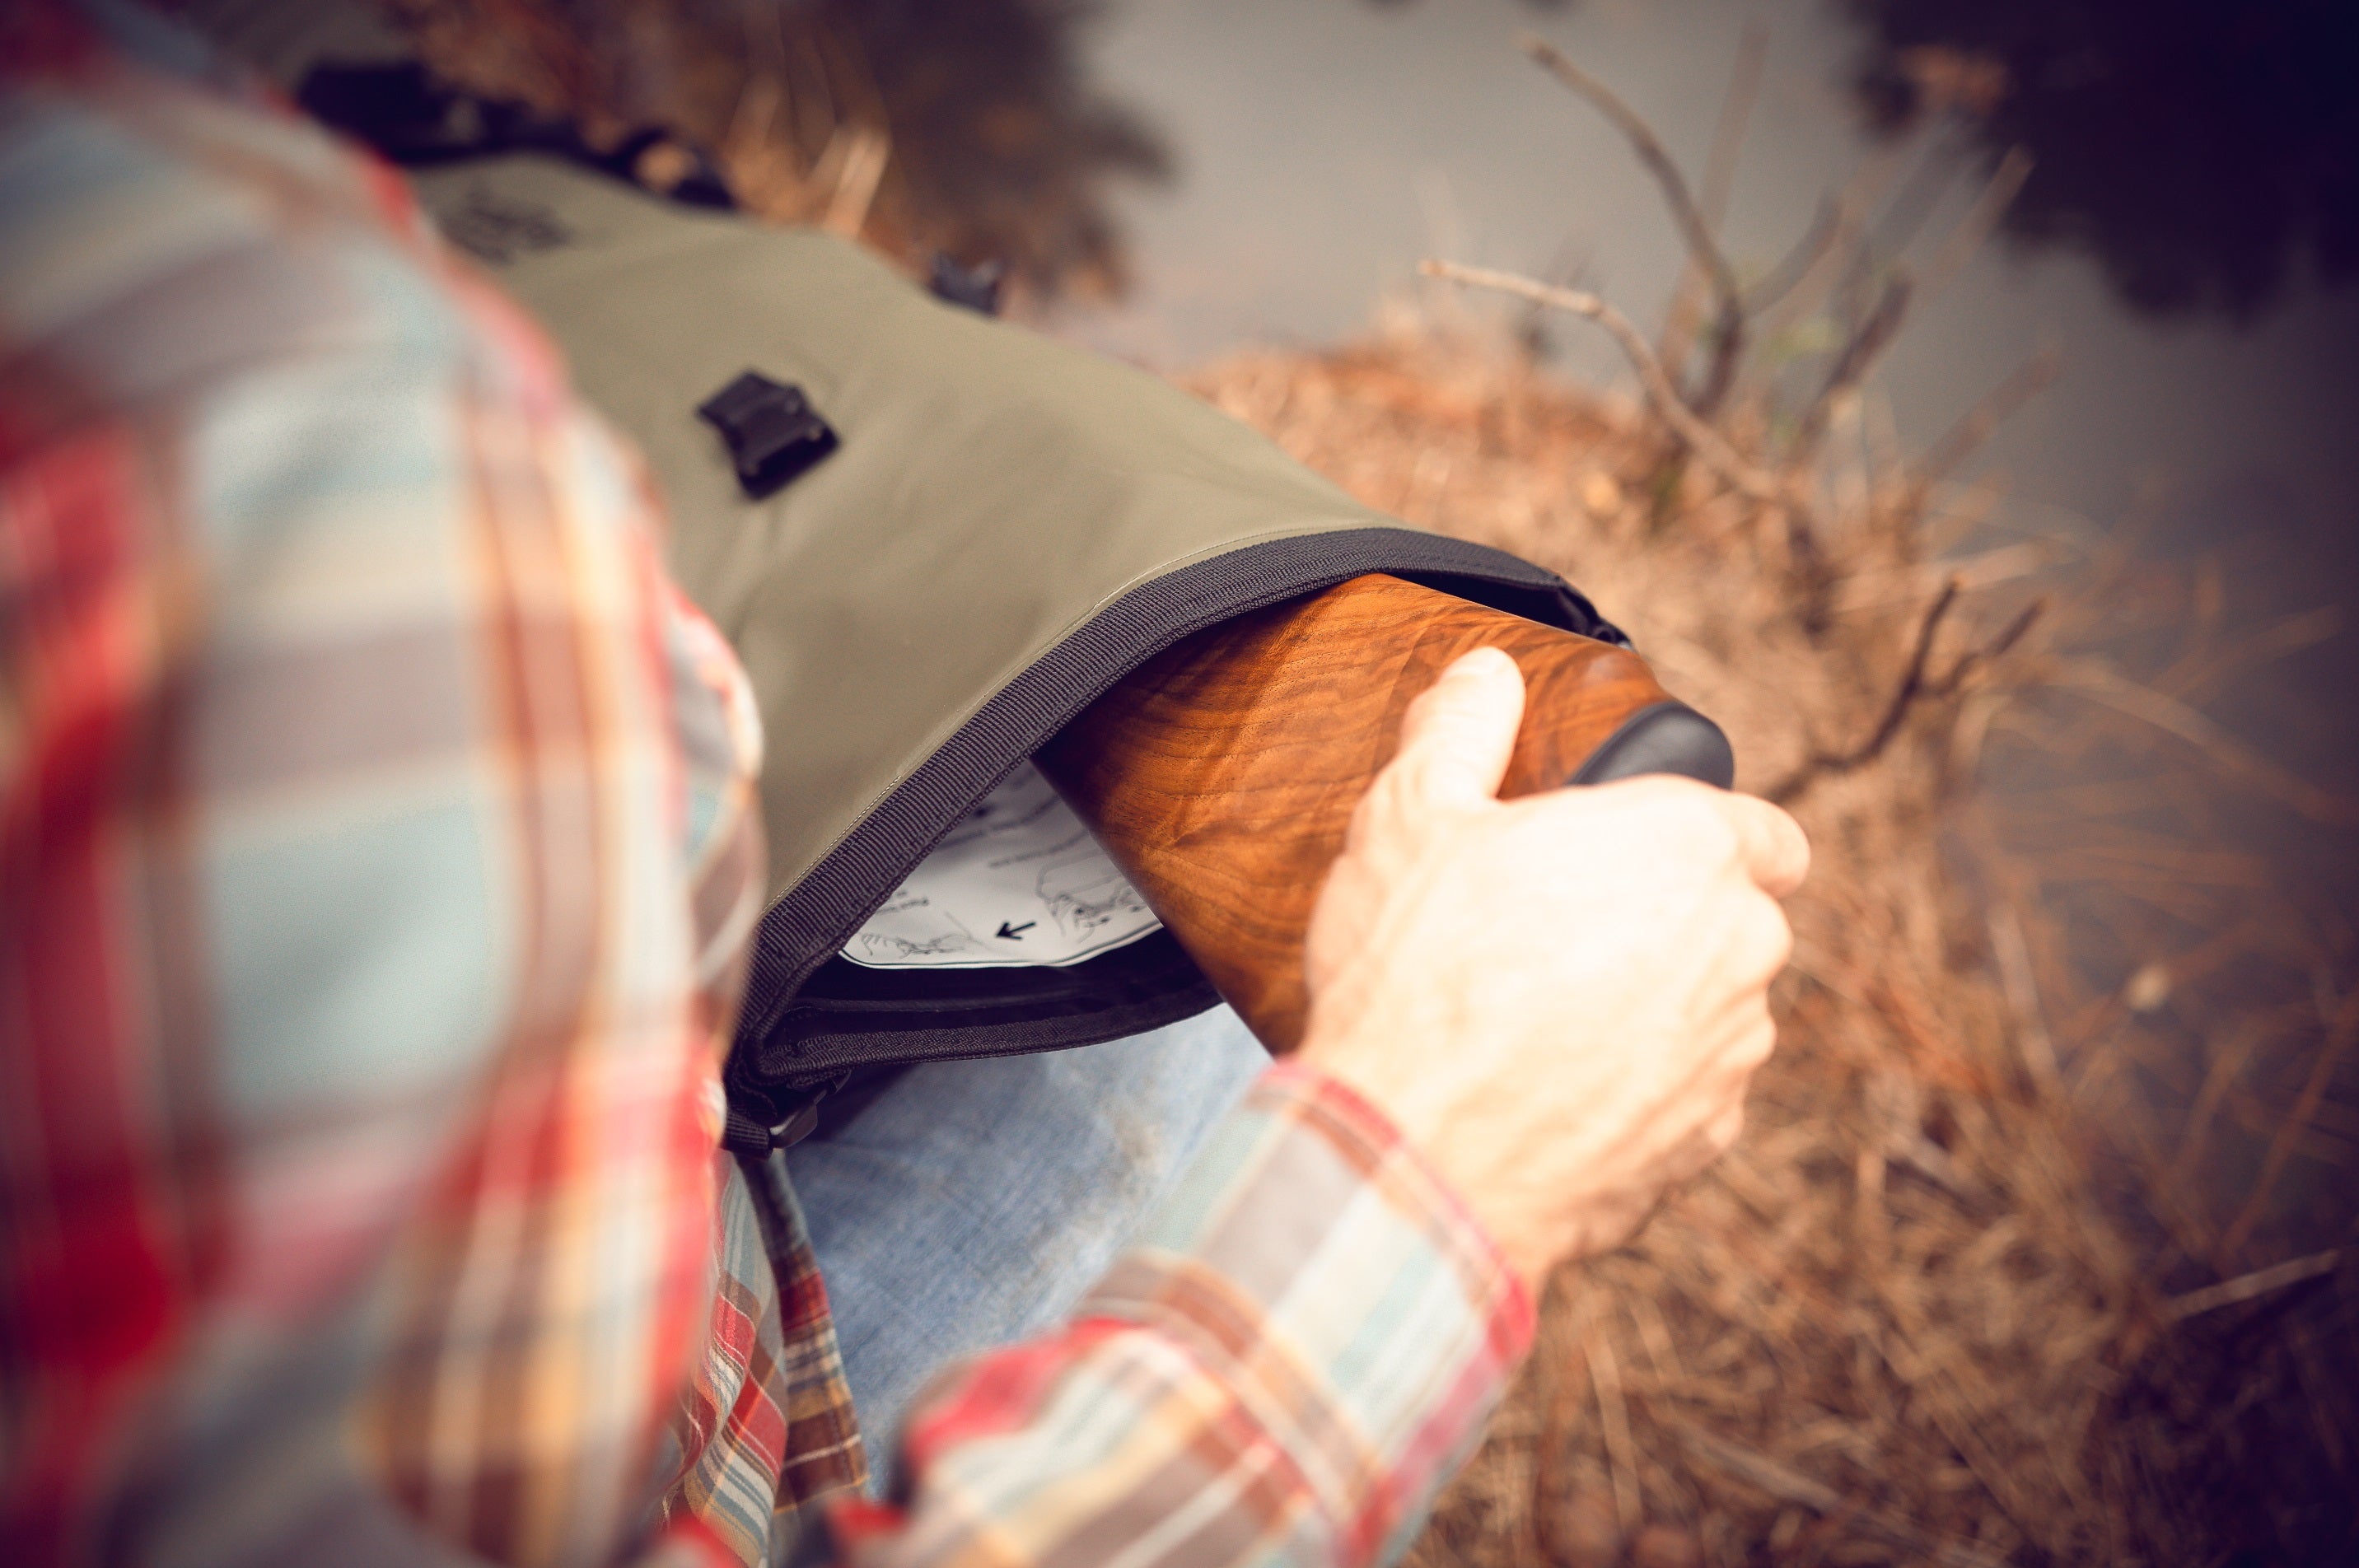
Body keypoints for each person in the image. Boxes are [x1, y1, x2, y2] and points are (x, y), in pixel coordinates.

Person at [0, 3, 1809, 1565]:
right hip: (706, 1451)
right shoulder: (275, 483)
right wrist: (1451, 1165)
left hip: (617, 1247)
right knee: (1195, 1036)